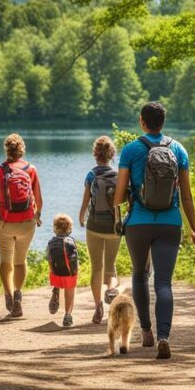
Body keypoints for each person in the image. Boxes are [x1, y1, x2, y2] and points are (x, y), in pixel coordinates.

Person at [111, 102, 195, 360]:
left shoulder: (131, 150)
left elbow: (119, 194)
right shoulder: (179, 149)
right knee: (163, 281)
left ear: (142, 121)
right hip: (170, 222)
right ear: (163, 122)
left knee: (139, 275)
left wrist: (117, 216)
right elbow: (187, 196)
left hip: (138, 222)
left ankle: (147, 331)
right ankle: (164, 336)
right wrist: (194, 230)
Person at [0, 133, 43, 317]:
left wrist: (1, 198)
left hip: (5, 222)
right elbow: (39, 200)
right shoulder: (31, 169)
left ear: (6, 150)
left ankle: (8, 295)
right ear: (22, 150)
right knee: (20, 260)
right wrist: (38, 215)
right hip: (27, 222)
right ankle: (18, 294)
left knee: (5, 260)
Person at [78, 135, 122, 325]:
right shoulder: (119, 175)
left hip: (94, 226)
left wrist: (81, 217)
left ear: (95, 154)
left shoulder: (91, 175)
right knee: (110, 268)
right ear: (111, 154)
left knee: (96, 267)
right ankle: (111, 291)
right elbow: (122, 203)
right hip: (114, 227)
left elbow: (86, 201)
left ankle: (98, 306)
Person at [46, 213, 79, 327]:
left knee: (58, 281)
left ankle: (56, 289)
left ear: (55, 228)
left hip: (55, 273)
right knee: (70, 292)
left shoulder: (51, 242)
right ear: (70, 228)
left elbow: (49, 258)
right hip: (69, 273)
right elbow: (75, 260)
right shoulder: (71, 241)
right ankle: (67, 316)